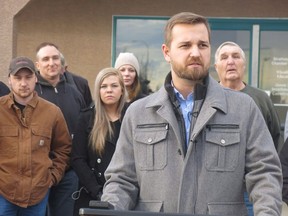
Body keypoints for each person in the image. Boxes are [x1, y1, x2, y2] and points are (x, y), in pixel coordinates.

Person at [101, 12, 282, 215]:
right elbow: (122, 180)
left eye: (202, 45)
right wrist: (110, 209)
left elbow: (265, 173)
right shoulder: (138, 113)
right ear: (166, 52)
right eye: (185, 45)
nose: (195, 53)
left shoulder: (243, 108)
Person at [0, 56, 71, 215]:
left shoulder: (52, 112)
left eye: (28, 77)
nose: (23, 83)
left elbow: (64, 149)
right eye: (17, 78)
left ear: (36, 79)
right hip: (3, 193)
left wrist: (52, 178)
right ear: (9, 80)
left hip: (38, 194)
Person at [34, 42, 86, 216]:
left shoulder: (75, 93)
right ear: (37, 64)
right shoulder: (31, 93)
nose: (51, 63)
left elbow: (83, 130)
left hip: (68, 174)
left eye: (55, 58)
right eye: (46, 59)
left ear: (62, 62)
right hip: (37, 174)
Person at [70, 67, 128, 216]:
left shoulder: (131, 116)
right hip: (92, 194)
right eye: (104, 86)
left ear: (122, 89)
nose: (109, 90)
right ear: (98, 91)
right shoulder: (86, 118)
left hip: (127, 194)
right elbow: (78, 159)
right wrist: (97, 192)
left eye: (114, 86)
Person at [214, 41, 281, 151]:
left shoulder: (261, 99)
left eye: (236, 57)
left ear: (244, 64)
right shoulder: (207, 98)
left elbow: (275, 138)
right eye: (224, 57)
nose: (230, 61)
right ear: (216, 67)